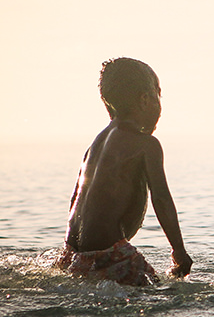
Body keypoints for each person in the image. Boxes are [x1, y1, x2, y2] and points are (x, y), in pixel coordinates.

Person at [57, 57, 193, 286]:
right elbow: (161, 198)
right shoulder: (146, 144)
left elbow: (75, 200)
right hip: (111, 255)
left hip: (73, 256)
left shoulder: (95, 145)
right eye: (159, 96)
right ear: (145, 100)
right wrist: (179, 252)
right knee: (161, 291)